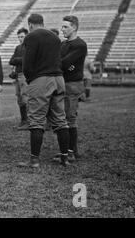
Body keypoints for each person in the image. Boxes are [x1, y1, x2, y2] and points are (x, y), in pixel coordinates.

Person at [17, 13, 70, 168]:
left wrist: (30, 79)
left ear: (30, 25)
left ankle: (34, 160)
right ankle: (65, 157)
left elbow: (27, 63)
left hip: (41, 80)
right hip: (59, 80)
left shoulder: (31, 36)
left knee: (36, 120)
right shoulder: (55, 37)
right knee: (60, 119)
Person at [58, 15, 87, 161]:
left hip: (72, 85)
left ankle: (70, 152)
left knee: (70, 118)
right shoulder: (63, 44)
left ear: (74, 27)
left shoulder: (80, 45)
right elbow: (61, 62)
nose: (62, 29)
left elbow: (63, 63)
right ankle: (70, 150)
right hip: (63, 83)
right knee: (62, 118)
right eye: (62, 26)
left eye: (65, 27)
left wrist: (63, 65)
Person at [9, 27, 29, 130]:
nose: (20, 39)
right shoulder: (18, 47)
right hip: (17, 74)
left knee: (25, 97)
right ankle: (23, 120)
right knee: (19, 98)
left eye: (22, 36)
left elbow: (27, 60)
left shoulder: (30, 47)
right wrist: (20, 60)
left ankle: (29, 121)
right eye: (19, 37)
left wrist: (18, 60)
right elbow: (11, 61)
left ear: (27, 36)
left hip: (25, 75)